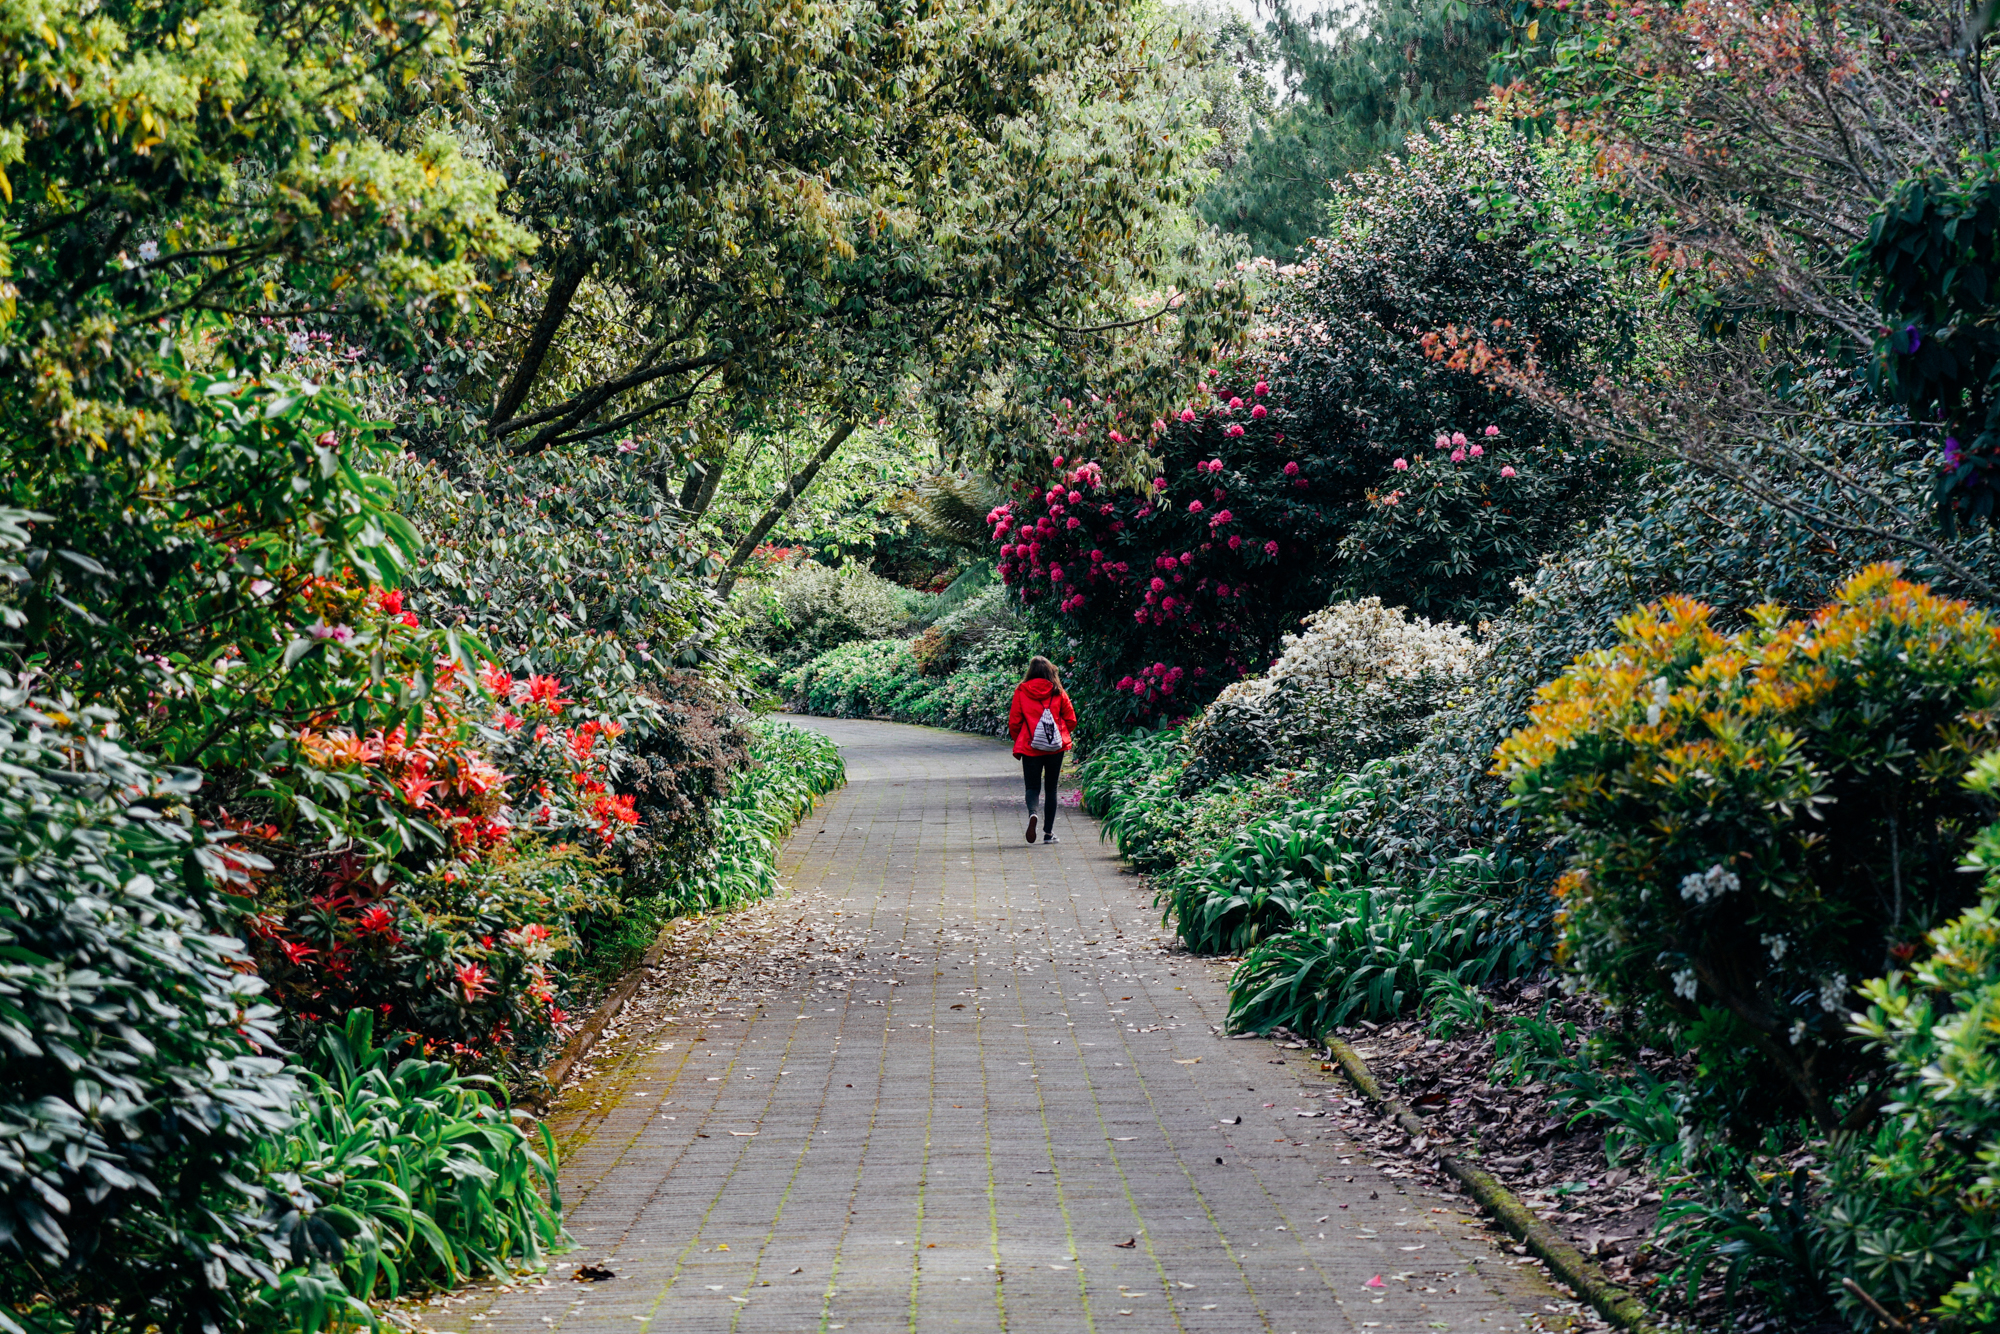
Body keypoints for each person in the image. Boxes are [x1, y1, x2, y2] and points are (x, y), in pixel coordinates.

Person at [1009, 655, 1077, 844]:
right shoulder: (1058, 691)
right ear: (1049, 671)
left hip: (1030, 747)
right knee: (1051, 788)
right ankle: (1048, 833)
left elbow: (1014, 721)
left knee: (1032, 787)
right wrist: (1058, 735)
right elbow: (1071, 719)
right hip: (1055, 748)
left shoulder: (1022, 691)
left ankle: (1033, 814)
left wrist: (1022, 738)